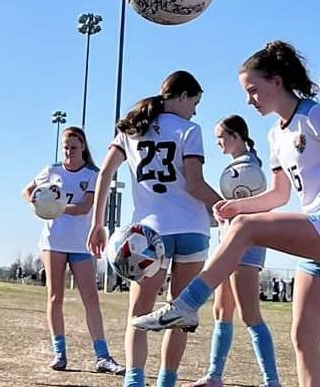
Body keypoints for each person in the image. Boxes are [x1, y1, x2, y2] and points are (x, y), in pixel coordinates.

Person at [135, 42, 320, 387]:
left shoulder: (315, 115)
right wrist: (237, 207)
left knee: (246, 229)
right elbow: (279, 195)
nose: (249, 100)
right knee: (303, 340)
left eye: (253, 90)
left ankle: (186, 304)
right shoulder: (276, 135)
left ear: (276, 82)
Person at [88, 71, 221, 387]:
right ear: (183, 96)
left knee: (139, 312)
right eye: (196, 102)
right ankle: (167, 382)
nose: (196, 110)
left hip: (148, 237)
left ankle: (134, 381)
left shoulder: (131, 130)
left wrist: (98, 224)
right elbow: (194, 182)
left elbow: (105, 173)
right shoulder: (189, 130)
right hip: (191, 229)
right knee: (179, 312)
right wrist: (223, 207)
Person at [190, 116, 280, 387]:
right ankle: (215, 376)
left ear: (236, 136)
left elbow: (259, 206)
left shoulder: (250, 170)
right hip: (227, 242)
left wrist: (231, 208)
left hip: (247, 246)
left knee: (250, 314)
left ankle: (272, 381)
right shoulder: (238, 168)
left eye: (221, 136)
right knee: (221, 310)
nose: (218, 142)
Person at [24, 126, 122, 375]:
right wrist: (37, 203)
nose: (69, 152)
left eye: (74, 147)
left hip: (80, 244)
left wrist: (56, 206)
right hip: (53, 242)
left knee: (91, 298)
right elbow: (27, 191)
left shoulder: (92, 174)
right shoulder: (52, 170)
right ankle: (60, 353)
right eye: (66, 147)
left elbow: (84, 207)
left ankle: (103, 356)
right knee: (54, 297)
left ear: (83, 148)